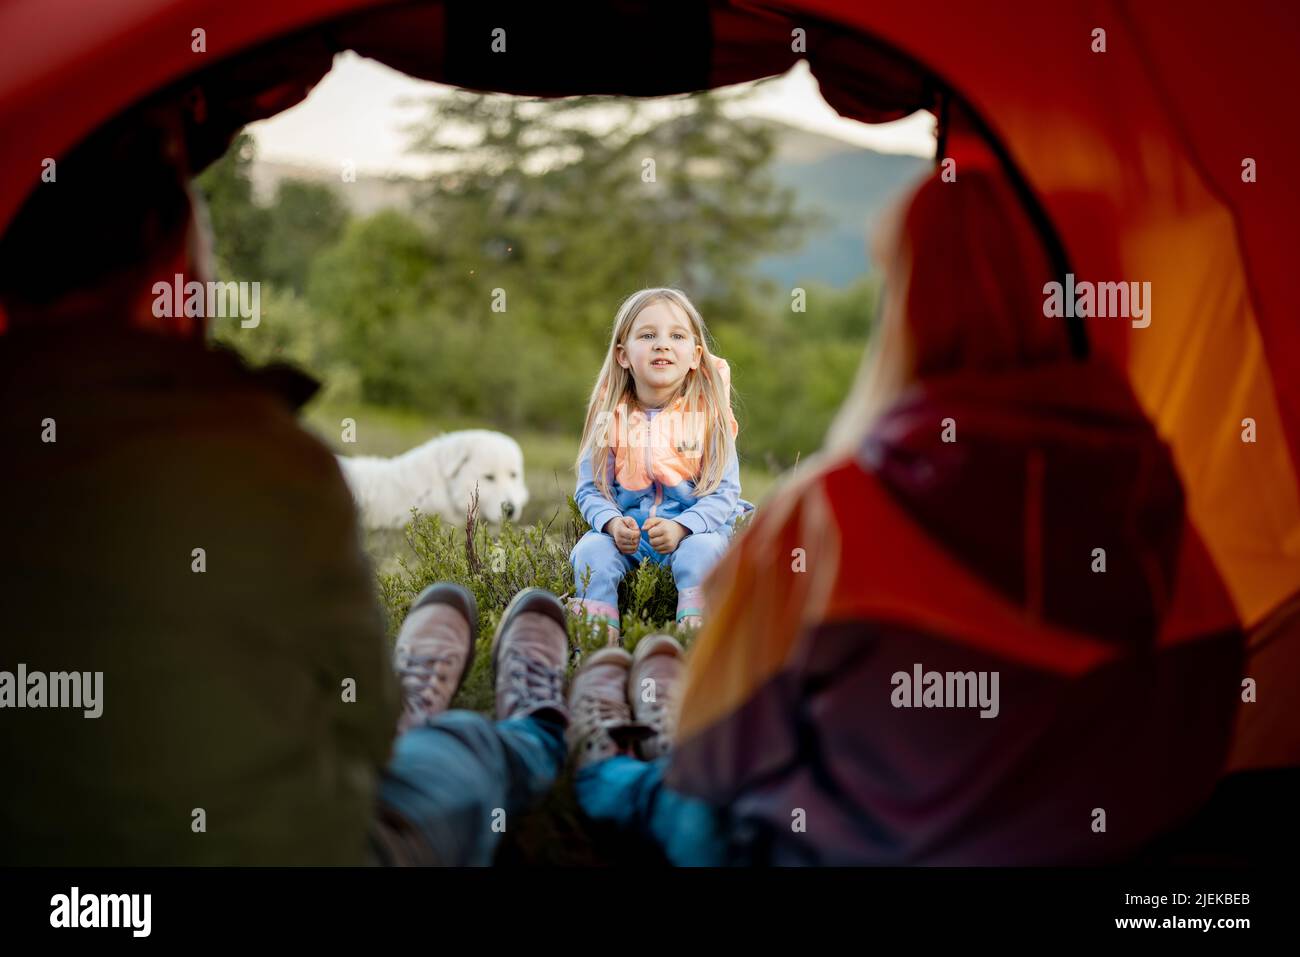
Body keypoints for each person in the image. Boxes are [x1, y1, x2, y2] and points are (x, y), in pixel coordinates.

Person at [563, 165, 1246, 865]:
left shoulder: (830, 516)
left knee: (663, 798)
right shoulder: (1177, 537)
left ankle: (588, 748)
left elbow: (713, 763)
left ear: (911, 305)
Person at [568, 288, 754, 644]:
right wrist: (610, 523)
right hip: (630, 538)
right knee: (591, 553)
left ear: (695, 356)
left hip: (695, 533)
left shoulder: (709, 417)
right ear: (623, 355)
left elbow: (725, 492)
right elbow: (590, 488)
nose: (662, 345)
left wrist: (683, 527)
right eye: (648, 335)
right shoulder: (611, 417)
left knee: (702, 554)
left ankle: (694, 640)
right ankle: (596, 645)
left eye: (677, 336)